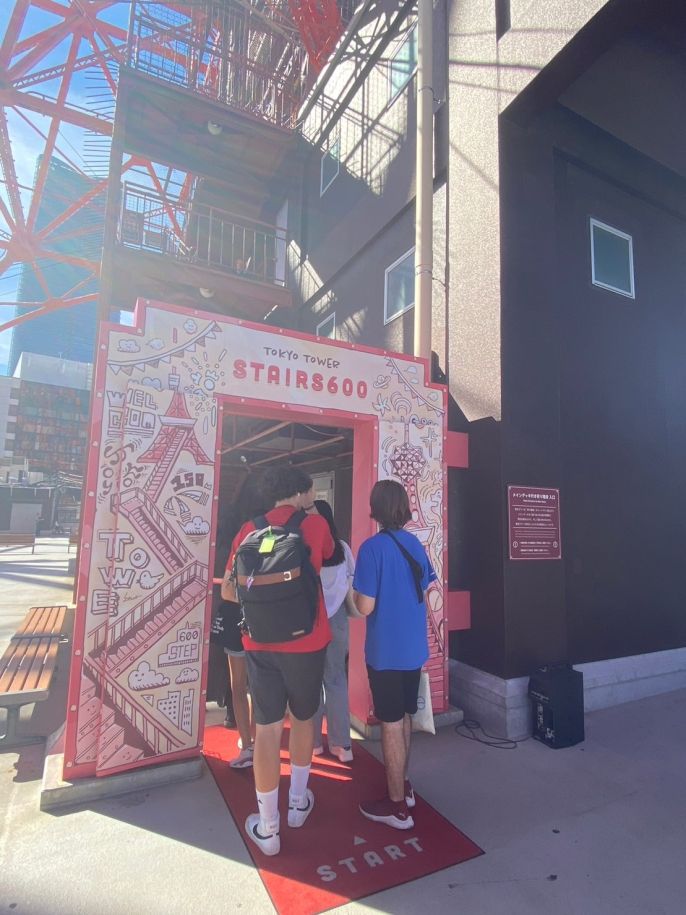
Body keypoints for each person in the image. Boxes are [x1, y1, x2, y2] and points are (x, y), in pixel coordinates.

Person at [222, 466, 334, 856]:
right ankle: (298, 804)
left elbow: (230, 592)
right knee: (304, 720)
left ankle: (268, 828)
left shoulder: (247, 530)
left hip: (258, 644)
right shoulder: (316, 527)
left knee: (267, 729)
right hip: (308, 642)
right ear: (302, 492)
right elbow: (328, 559)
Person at [353, 479, 437, 830]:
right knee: (403, 717)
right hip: (413, 648)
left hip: (384, 650)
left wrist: (350, 598)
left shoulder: (371, 549)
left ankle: (397, 806)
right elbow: (426, 586)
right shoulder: (415, 543)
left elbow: (365, 606)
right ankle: (403, 785)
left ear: (376, 508)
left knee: (389, 722)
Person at [303, 497, 355, 763]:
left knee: (311, 683)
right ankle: (342, 744)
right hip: (339, 621)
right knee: (336, 680)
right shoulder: (343, 548)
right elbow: (351, 583)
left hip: (311, 620)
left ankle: (313, 743)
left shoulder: (306, 545)